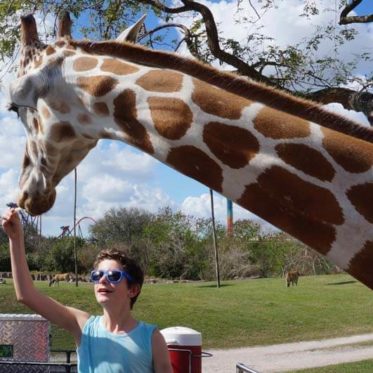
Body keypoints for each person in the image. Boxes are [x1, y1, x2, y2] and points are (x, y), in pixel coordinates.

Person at [1, 208, 173, 373]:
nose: (103, 280)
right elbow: (26, 295)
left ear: (133, 290)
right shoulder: (84, 326)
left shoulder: (152, 338)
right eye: (97, 275)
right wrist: (15, 239)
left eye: (113, 276)